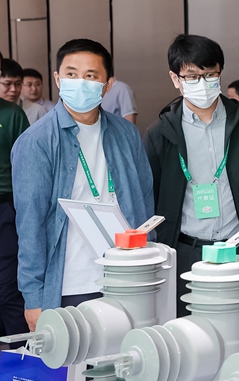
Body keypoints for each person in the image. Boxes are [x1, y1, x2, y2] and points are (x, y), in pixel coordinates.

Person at [12, 39, 154, 330]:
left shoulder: (126, 133)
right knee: (76, 359)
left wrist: (148, 266)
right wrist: (33, 297)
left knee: (126, 356)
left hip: (126, 277)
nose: (80, 82)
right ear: (57, 79)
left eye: (90, 76)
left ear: (107, 84)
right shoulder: (37, 141)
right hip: (70, 283)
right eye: (71, 74)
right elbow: (30, 224)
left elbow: (145, 200)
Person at [144, 35, 239, 317]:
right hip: (186, 251)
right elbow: (153, 195)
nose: (202, 84)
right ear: (175, 79)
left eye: (210, 75)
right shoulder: (160, 133)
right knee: (188, 334)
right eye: (192, 77)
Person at [0, 72, 28, 342]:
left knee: (8, 290)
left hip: (5, 208)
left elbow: (25, 168)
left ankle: (19, 355)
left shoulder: (12, 115)